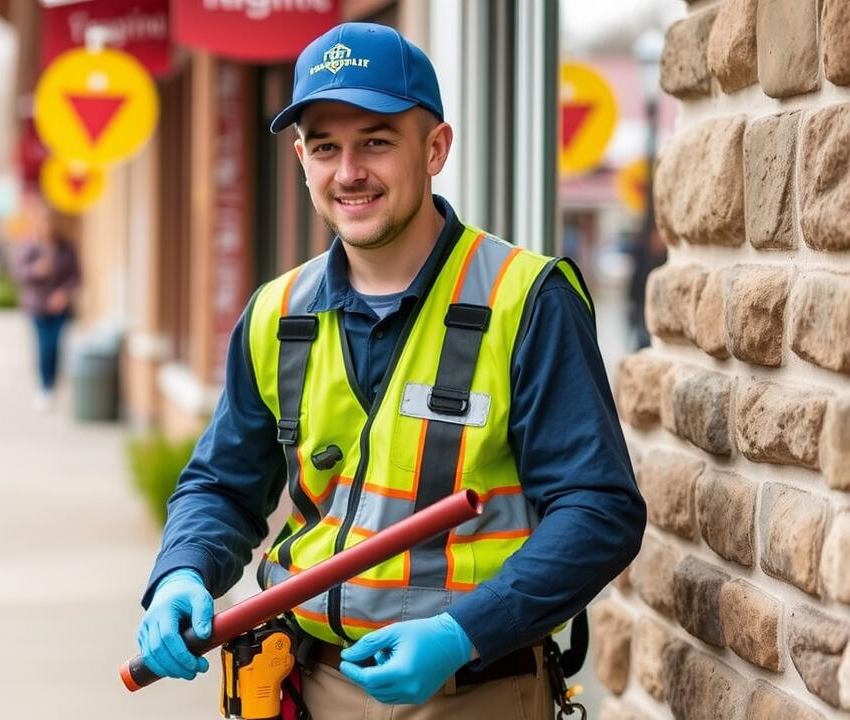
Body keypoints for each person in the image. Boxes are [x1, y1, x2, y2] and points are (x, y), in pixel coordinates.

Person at [134, 23, 645, 719]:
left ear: (435, 148)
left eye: (375, 141)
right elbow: (222, 485)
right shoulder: (276, 313)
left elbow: (599, 512)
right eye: (325, 148)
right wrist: (182, 572)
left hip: (471, 691)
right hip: (303, 685)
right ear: (301, 159)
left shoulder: (526, 300)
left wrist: (462, 633)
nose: (348, 172)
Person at [12, 201, 79, 412]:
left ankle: (53, 382)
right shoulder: (31, 248)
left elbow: (76, 275)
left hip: (59, 306)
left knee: (56, 345)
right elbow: (19, 273)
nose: (47, 226)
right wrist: (36, 270)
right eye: (43, 222)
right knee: (43, 346)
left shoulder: (66, 248)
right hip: (38, 305)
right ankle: (44, 386)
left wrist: (64, 293)